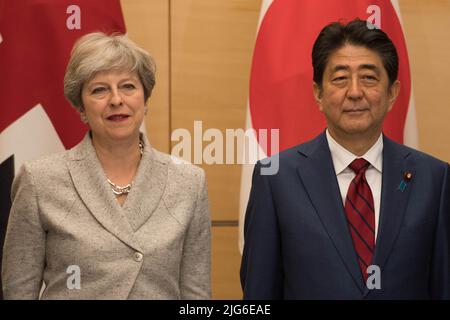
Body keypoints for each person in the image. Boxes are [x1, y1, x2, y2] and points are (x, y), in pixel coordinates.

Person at [240, 18, 450, 299]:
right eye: (340, 78)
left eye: (369, 78)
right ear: (318, 93)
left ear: (392, 93)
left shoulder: (435, 179)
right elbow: (260, 293)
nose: (354, 92)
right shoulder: (275, 178)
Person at [2, 32, 211, 299]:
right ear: (81, 107)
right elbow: (18, 291)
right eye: (99, 89)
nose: (115, 100)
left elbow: (197, 295)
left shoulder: (188, 183)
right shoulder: (39, 180)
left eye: (128, 86)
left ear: (144, 100)